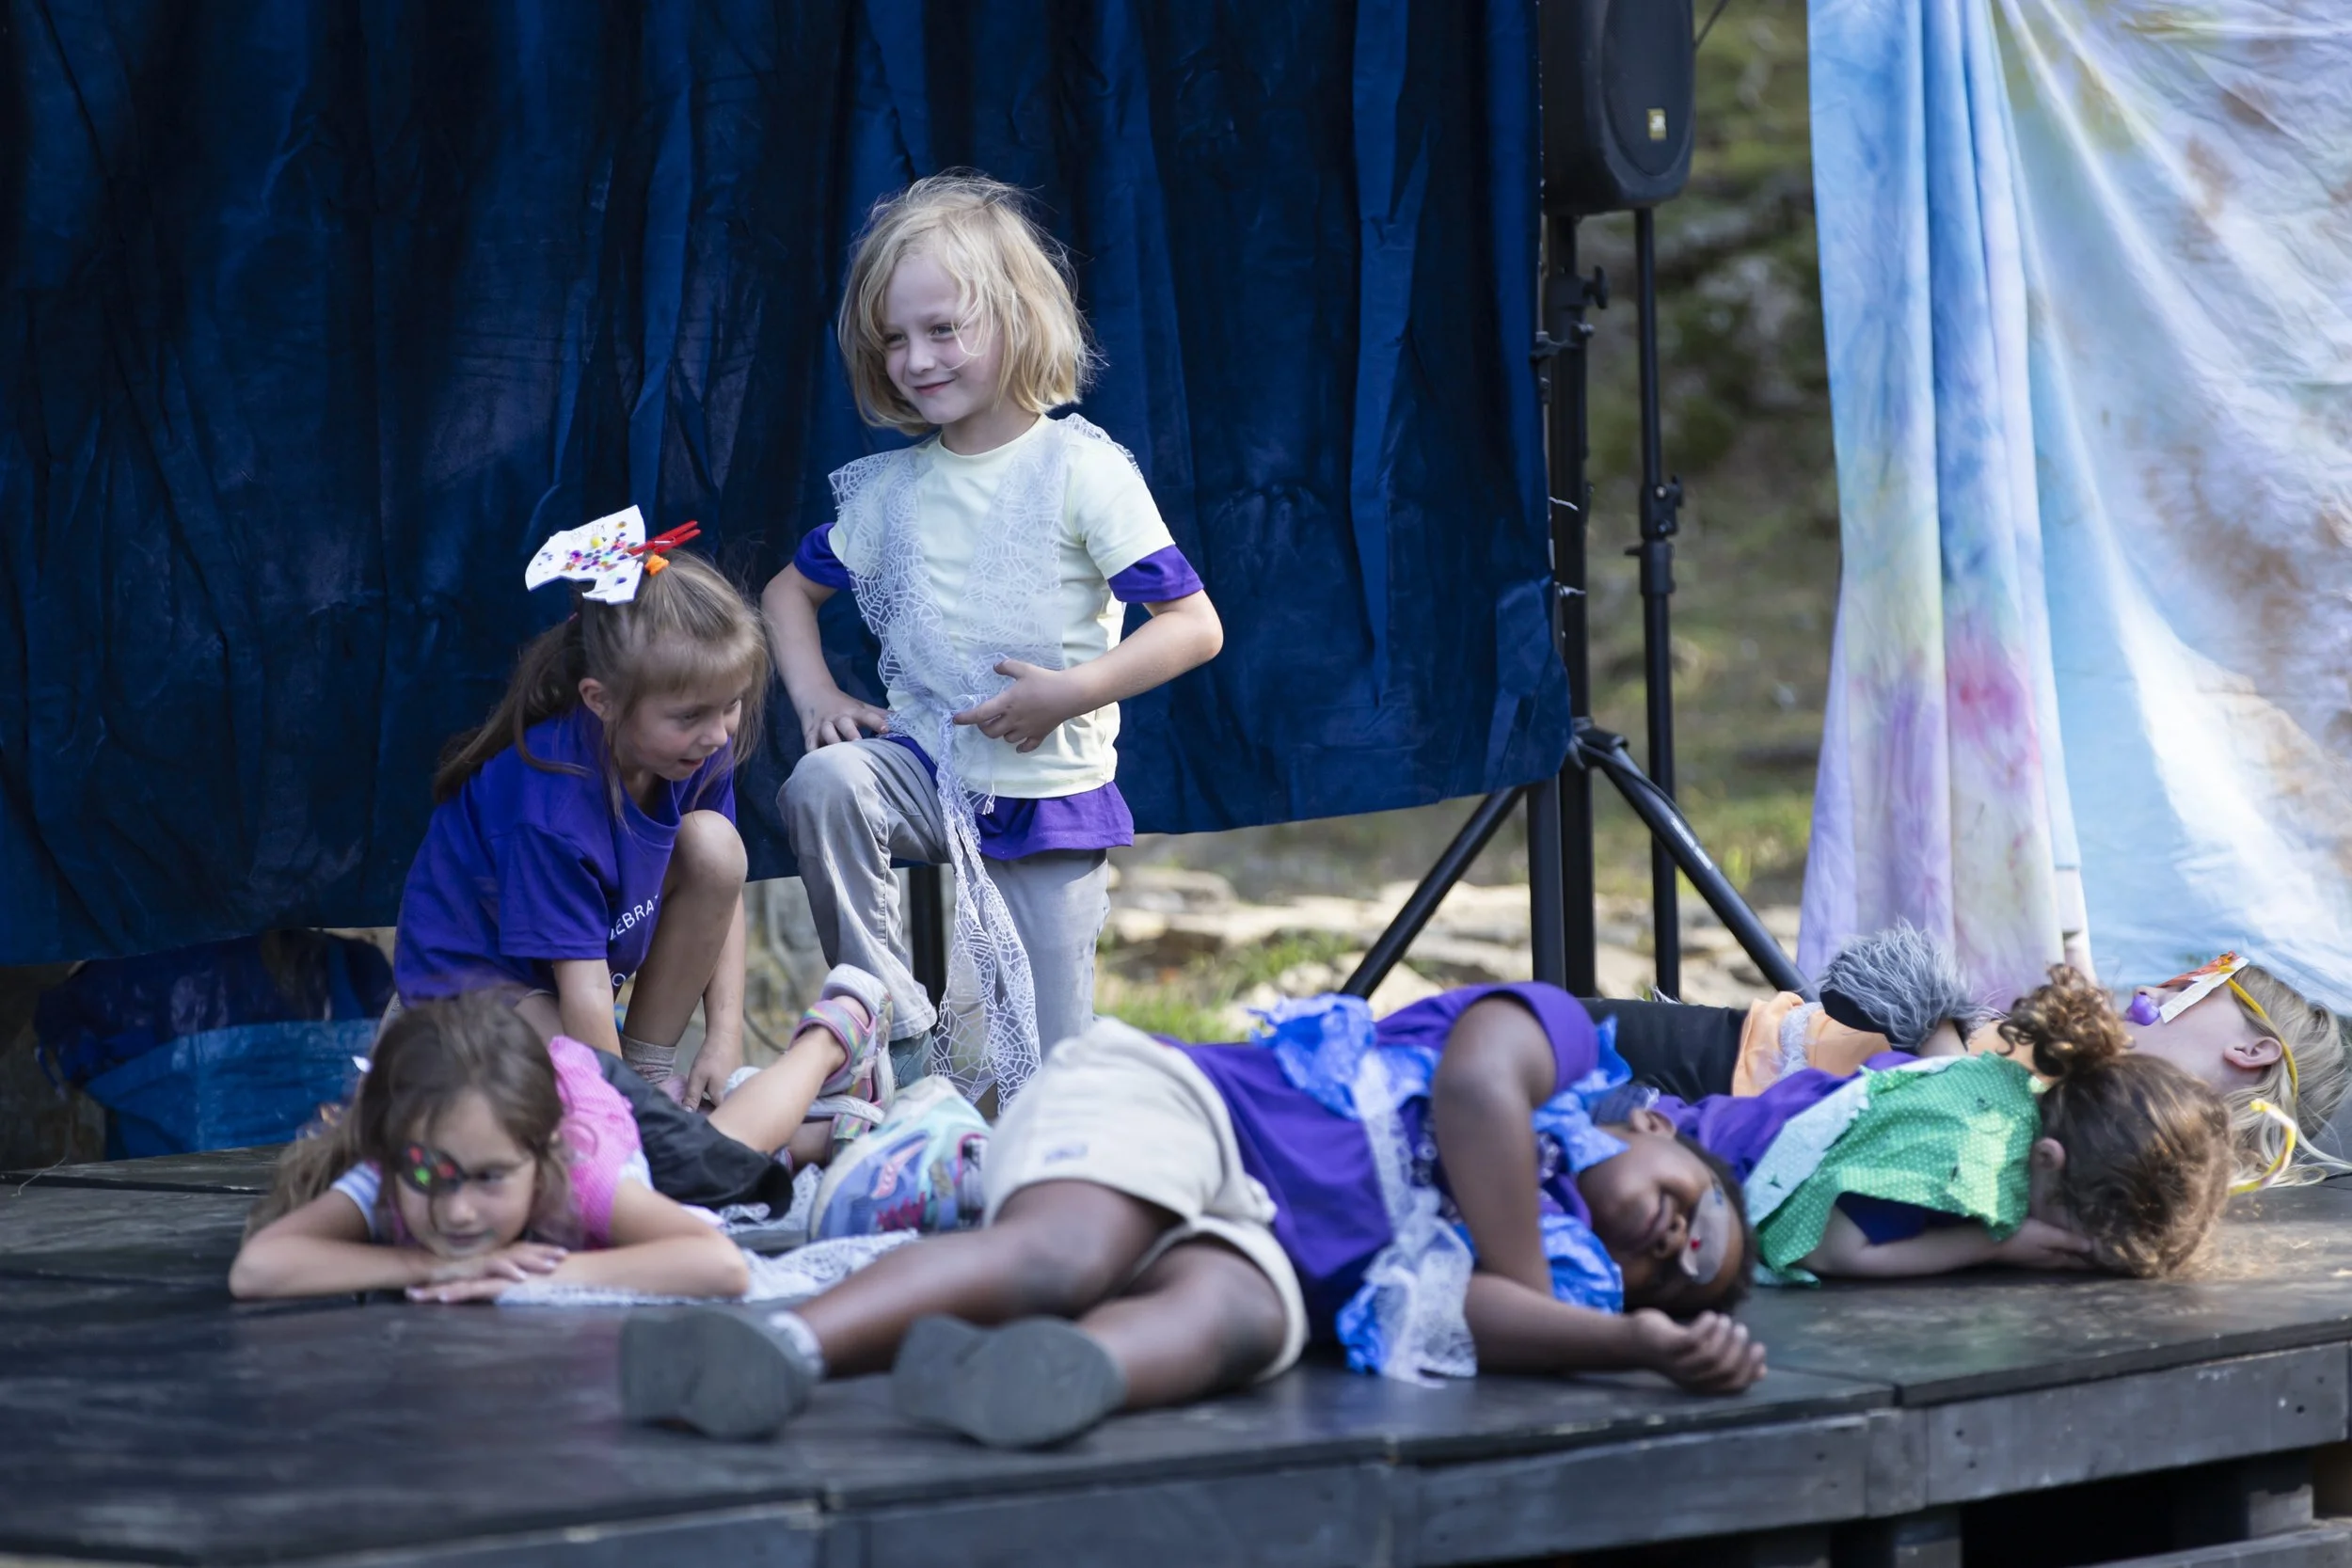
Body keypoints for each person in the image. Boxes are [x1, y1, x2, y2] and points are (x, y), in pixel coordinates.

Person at [620, 984, 1765, 1449]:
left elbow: (1472, 1317)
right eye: (1687, 1215)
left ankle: (1032, 1375)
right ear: (1660, 1132)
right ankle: (781, 1348)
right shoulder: (1559, 1039)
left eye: (1674, 1271)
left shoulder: (1568, 1273)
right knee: (1068, 1251)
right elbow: (1473, 1088)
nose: (1670, 1246)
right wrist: (1536, 1288)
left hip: (1272, 1250)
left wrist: (1630, 1340)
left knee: (1228, 1322)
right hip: (1186, 1108)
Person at [763, 171, 1223, 1100]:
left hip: (1042, 794)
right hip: (927, 770)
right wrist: (816, 698)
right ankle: (886, 1018)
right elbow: (784, 593)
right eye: (894, 338)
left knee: (1052, 1077)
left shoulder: (1080, 471)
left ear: (1014, 318)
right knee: (824, 781)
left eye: (943, 329)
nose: (917, 359)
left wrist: (1071, 692)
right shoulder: (890, 491)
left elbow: (1194, 624)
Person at [395, 542, 773, 1110]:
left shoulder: (695, 748)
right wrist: (633, 1129)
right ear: (602, 701)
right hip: (478, 984)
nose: (718, 734)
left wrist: (723, 1040)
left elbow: (722, 890)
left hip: (572, 973)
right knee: (572, 1103)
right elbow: (587, 993)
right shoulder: (553, 812)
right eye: (690, 715)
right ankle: (635, 1106)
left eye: (731, 706)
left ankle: (644, 1078)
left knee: (716, 847)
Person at [1598, 929, 2348, 1195]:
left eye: (2188, 989)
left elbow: (1963, 1127)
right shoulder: (2090, 1067)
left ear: (2248, 1048)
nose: (2152, 990)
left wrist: (1933, 1030)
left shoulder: (2120, 1128)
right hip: (1748, 1049)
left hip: (1733, 1105)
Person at [1621, 966, 2233, 1281]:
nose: (2067, 1253)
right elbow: (1835, 1249)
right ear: (2047, 1160)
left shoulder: (2008, 1091)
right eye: (2077, 1239)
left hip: (1671, 1125)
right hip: (1659, 1160)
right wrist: (1991, 1245)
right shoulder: (1962, 1165)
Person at [230, 994, 750, 1302]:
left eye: (490, 1177)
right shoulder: (405, 1159)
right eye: (430, 1173)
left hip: (598, 1090)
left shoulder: (580, 1170)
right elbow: (258, 1268)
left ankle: (824, 1040)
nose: (456, 1211)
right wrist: (434, 1268)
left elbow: (721, 1265)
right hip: (530, 1092)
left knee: (735, 1154)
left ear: (540, 1157)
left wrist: (534, 1276)